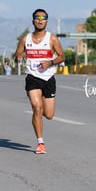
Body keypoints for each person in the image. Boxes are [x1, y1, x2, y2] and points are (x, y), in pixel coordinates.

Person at [15, 9, 65, 154]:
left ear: (46, 21)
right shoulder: (25, 39)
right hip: (32, 77)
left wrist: (50, 62)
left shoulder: (52, 39)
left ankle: (41, 113)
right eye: (37, 18)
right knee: (37, 107)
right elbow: (17, 55)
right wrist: (18, 57)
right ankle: (40, 142)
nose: (40, 20)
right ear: (33, 21)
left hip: (48, 78)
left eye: (43, 18)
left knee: (48, 115)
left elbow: (62, 56)